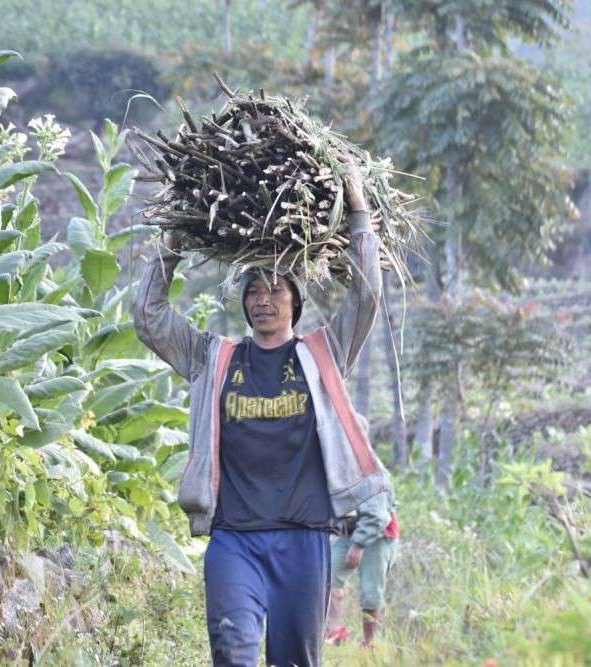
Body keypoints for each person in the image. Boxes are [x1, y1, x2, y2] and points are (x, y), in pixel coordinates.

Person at [132, 161, 392, 667]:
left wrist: (357, 206)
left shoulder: (323, 354)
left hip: (304, 538)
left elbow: (367, 294)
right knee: (233, 652)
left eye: (276, 290)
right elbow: (150, 316)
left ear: (296, 303)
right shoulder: (215, 357)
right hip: (234, 539)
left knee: (294, 660)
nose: (264, 300)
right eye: (253, 290)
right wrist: (172, 242)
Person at [324, 490, 400, 648]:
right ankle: (335, 633)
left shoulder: (368, 468)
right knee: (327, 578)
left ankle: (369, 644)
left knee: (370, 593)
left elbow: (378, 517)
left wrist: (359, 545)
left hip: (380, 533)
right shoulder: (331, 468)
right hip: (351, 530)